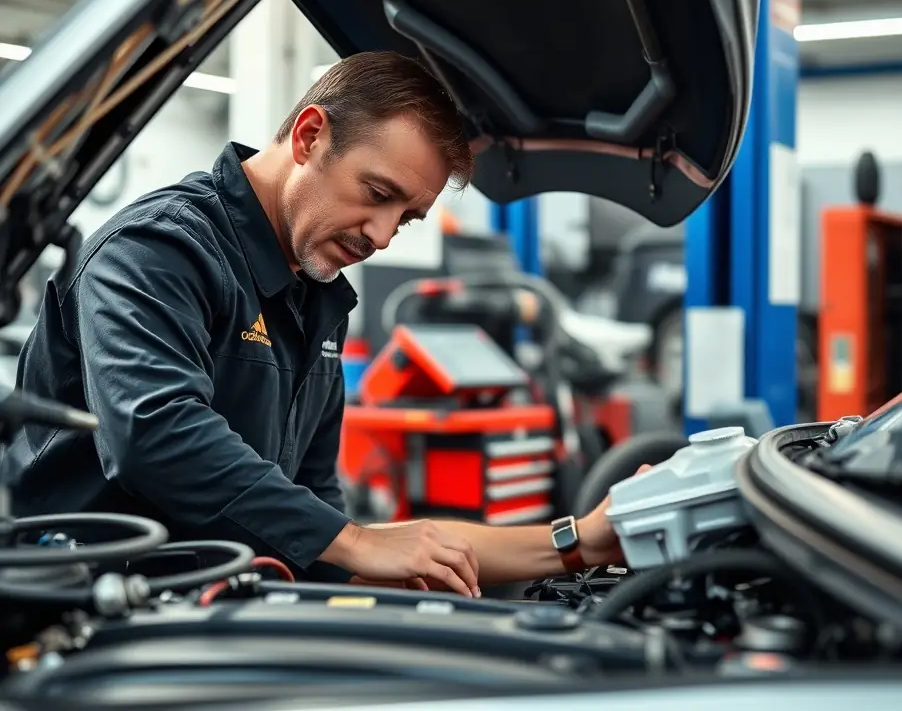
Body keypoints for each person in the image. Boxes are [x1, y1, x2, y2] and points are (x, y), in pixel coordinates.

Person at [5, 51, 640, 597]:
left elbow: (315, 507)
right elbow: (154, 432)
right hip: (86, 606)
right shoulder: (160, 248)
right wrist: (353, 544)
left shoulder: (317, 300)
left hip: (220, 601)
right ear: (310, 136)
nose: (383, 235)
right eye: (377, 192)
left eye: (407, 218)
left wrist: (581, 542)